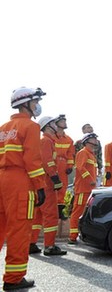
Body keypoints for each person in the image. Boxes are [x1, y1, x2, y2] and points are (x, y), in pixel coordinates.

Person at [0, 87, 47, 291]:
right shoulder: (31, 127)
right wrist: (40, 187)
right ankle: (13, 278)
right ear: (26, 103)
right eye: (36, 101)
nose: (37, 105)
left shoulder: (4, 127)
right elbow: (32, 160)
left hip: (2, 179)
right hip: (20, 181)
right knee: (19, 230)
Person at [29, 116, 67, 256]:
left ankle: (31, 243)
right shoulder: (46, 141)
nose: (56, 125)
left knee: (38, 215)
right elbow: (47, 161)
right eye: (53, 123)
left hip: (41, 182)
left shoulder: (46, 140)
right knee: (51, 215)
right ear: (48, 126)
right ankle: (49, 246)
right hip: (47, 183)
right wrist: (55, 177)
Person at [68, 133, 99, 245]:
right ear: (87, 141)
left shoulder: (92, 155)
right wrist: (90, 179)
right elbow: (81, 168)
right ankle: (72, 236)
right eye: (93, 138)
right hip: (82, 189)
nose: (96, 141)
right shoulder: (83, 153)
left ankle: (79, 235)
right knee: (77, 212)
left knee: (84, 213)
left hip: (90, 189)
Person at [53, 114, 75, 219]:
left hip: (63, 165)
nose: (65, 122)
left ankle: (60, 212)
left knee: (63, 187)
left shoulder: (69, 140)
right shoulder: (51, 137)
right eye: (62, 121)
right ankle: (51, 210)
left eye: (65, 120)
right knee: (51, 187)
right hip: (52, 164)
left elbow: (70, 154)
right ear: (56, 123)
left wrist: (70, 165)